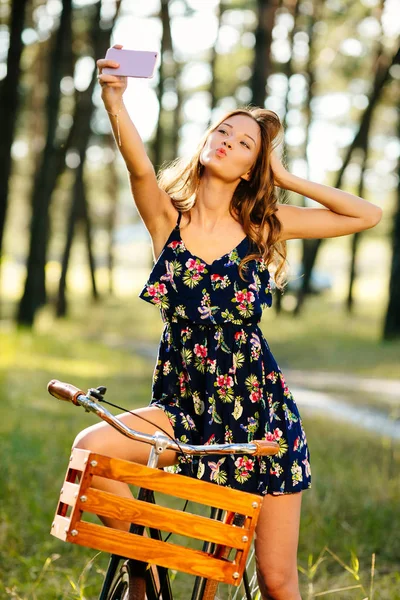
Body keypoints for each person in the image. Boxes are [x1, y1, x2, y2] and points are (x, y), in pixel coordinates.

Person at [73, 44, 382, 600]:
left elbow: (365, 215)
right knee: (94, 445)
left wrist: (285, 174)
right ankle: (142, 576)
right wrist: (114, 99)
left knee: (278, 580)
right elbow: (138, 165)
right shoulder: (168, 220)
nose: (228, 143)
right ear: (206, 141)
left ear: (251, 168)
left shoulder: (265, 225)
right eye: (223, 131)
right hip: (183, 412)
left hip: (262, 419)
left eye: (245, 144)